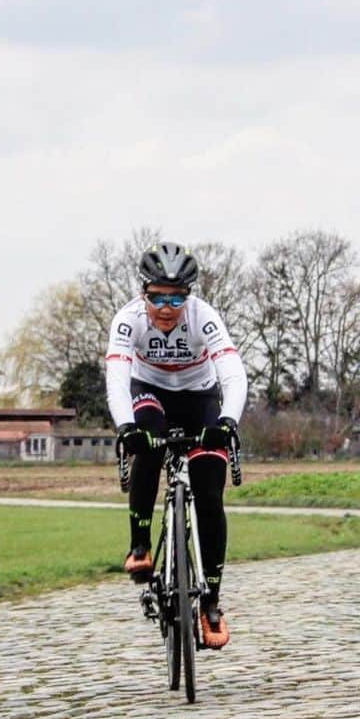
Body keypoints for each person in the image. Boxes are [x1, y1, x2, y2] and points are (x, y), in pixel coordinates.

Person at [104, 242, 248, 649]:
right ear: (143, 293)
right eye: (158, 297)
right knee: (146, 445)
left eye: (177, 296)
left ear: (189, 295)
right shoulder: (128, 321)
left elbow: (233, 375)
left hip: (200, 397)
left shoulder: (204, 317)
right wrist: (125, 427)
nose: (167, 307)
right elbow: (117, 378)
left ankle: (212, 602)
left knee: (209, 492)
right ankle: (140, 545)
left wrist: (227, 422)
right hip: (150, 393)